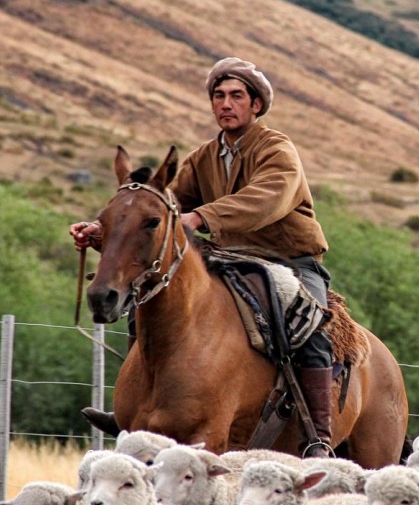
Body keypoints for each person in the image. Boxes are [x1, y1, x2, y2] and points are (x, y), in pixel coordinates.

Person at [70, 57, 336, 457]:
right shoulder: (203, 156)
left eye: (236, 96)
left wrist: (200, 216)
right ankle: (141, 404)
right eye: (219, 96)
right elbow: (159, 207)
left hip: (290, 261)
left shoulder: (277, 150)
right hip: (227, 255)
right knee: (150, 294)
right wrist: (106, 231)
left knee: (309, 322)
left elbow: (267, 199)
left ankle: (318, 435)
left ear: (256, 105)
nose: (226, 104)